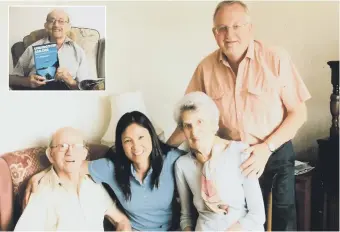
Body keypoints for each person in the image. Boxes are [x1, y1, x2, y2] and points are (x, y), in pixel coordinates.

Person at [167, 1, 311, 230]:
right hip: (230, 160)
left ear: (250, 28)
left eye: (236, 26)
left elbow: (299, 112)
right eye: (221, 28)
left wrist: (267, 148)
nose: (229, 34)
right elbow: (189, 115)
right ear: (214, 34)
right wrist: (162, 149)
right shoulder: (205, 68)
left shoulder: (276, 58)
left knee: (282, 221)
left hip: (273, 152)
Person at [24, 111, 183, 231]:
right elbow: (71, 164)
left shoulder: (172, 160)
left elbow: (198, 162)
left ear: (152, 137)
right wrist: (42, 174)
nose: (136, 146)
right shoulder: (110, 168)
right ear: (121, 145)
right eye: (128, 141)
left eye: (141, 137)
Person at [174, 91, 265, 231]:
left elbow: (258, 215)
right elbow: (185, 217)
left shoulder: (239, 152)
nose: (194, 132)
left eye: (200, 122)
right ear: (183, 130)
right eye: (188, 126)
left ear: (212, 123)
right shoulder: (182, 165)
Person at [15, 127, 131, 231]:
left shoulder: (92, 183)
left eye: (76, 147)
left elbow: (121, 220)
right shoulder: (41, 191)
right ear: (51, 155)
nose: (70, 152)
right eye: (62, 146)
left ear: (84, 154)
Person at [9, 9, 91, 90]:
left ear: (68, 26)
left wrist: (70, 81)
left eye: (61, 21)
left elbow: (85, 88)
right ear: (46, 25)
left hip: (66, 95)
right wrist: (27, 81)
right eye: (52, 21)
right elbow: (11, 79)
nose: (56, 25)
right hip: (37, 93)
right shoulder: (32, 48)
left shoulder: (78, 51)